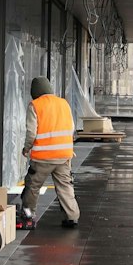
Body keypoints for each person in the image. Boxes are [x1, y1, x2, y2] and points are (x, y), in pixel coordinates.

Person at [20, 76, 80, 229]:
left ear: (34, 92)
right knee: (65, 186)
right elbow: (71, 127)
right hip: (64, 156)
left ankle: (28, 217)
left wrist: (26, 148)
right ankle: (72, 217)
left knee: (32, 186)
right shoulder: (64, 103)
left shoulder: (35, 105)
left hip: (43, 157)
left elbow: (31, 133)